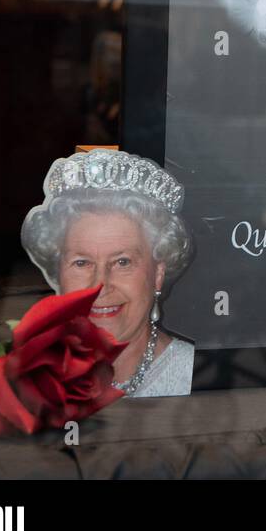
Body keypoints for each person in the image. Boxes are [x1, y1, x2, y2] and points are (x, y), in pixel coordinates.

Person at [21, 149, 195, 397]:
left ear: (158, 273)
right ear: (58, 275)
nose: (100, 284)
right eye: (82, 263)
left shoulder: (195, 377)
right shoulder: (28, 376)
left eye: (122, 261)